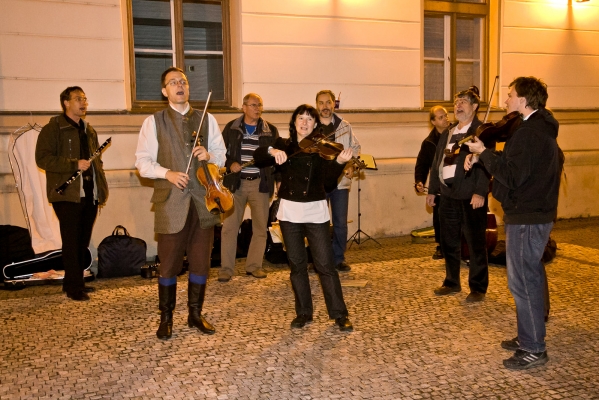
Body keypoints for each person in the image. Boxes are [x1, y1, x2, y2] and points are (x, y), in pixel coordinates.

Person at [464, 76, 560, 370]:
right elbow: (520, 164)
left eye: (509, 95)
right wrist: (485, 157)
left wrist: (484, 153)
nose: (505, 101)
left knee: (523, 283)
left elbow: (514, 175)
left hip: (528, 216)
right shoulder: (537, 130)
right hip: (531, 214)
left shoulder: (530, 133)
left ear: (523, 99)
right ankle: (527, 336)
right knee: (525, 280)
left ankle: (533, 348)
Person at [135, 67, 226, 340]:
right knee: (169, 263)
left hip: (204, 199)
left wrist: (209, 155)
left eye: (183, 81)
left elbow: (221, 156)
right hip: (170, 201)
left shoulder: (207, 119)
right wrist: (168, 173)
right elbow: (142, 163)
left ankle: (195, 315)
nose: (179, 85)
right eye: (173, 82)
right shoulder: (153, 122)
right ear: (164, 91)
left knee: (200, 262)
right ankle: (166, 318)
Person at [253, 104, 354, 331]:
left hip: (315, 211)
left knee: (325, 265)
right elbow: (258, 156)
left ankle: (339, 314)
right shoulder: (284, 145)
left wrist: (338, 163)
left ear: (315, 124)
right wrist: (271, 151)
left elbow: (328, 183)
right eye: (301, 118)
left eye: (310, 119)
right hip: (290, 212)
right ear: (294, 121)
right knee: (297, 265)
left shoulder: (322, 149)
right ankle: (304, 313)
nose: (305, 122)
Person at [35, 86, 108, 301]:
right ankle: (74, 288)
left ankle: (74, 282)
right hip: (66, 194)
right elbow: (43, 159)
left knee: (82, 241)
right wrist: (72, 164)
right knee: (71, 241)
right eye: (78, 99)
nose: (83, 103)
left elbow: (96, 163)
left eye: (85, 98)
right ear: (66, 103)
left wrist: (100, 188)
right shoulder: (53, 128)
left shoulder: (89, 130)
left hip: (88, 192)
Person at [427, 86, 490, 303]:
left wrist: (480, 192)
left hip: (471, 196)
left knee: (475, 243)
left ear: (474, 106)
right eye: (456, 102)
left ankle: (478, 287)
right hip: (448, 195)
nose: (458, 106)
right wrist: (433, 190)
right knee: (449, 241)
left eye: (463, 101)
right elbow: (438, 162)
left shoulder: (482, 132)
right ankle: (452, 281)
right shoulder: (448, 132)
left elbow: (486, 164)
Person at [219, 93, 279, 281]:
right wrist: (230, 164)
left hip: (260, 184)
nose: (257, 109)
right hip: (235, 184)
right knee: (229, 227)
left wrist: (278, 181)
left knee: (260, 227)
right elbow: (219, 151)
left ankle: (254, 266)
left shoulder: (271, 131)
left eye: (259, 105)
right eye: (253, 105)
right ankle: (226, 269)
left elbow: (277, 159)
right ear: (243, 107)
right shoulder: (232, 128)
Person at [315, 90, 361, 272]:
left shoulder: (344, 126)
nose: (325, 106)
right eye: (321, 103)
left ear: (334, 104)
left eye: (328, 102)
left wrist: (351, 164)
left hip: (340, 182)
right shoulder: (311, 126)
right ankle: (320, 259)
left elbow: (355, 147)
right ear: (317, 105)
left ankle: (338, 258)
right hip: (318, 183)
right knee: (318, 223)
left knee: (340, 223)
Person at [415, 105, 450, 259]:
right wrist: (419, 181)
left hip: (454, 184)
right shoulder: (429, 142)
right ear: (433, 121)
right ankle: (441, 246)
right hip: (439, 185)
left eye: (446, 115)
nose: (445, 119)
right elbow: (422, 164)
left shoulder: (455, 134)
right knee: (439, 216)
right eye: (441, 117)